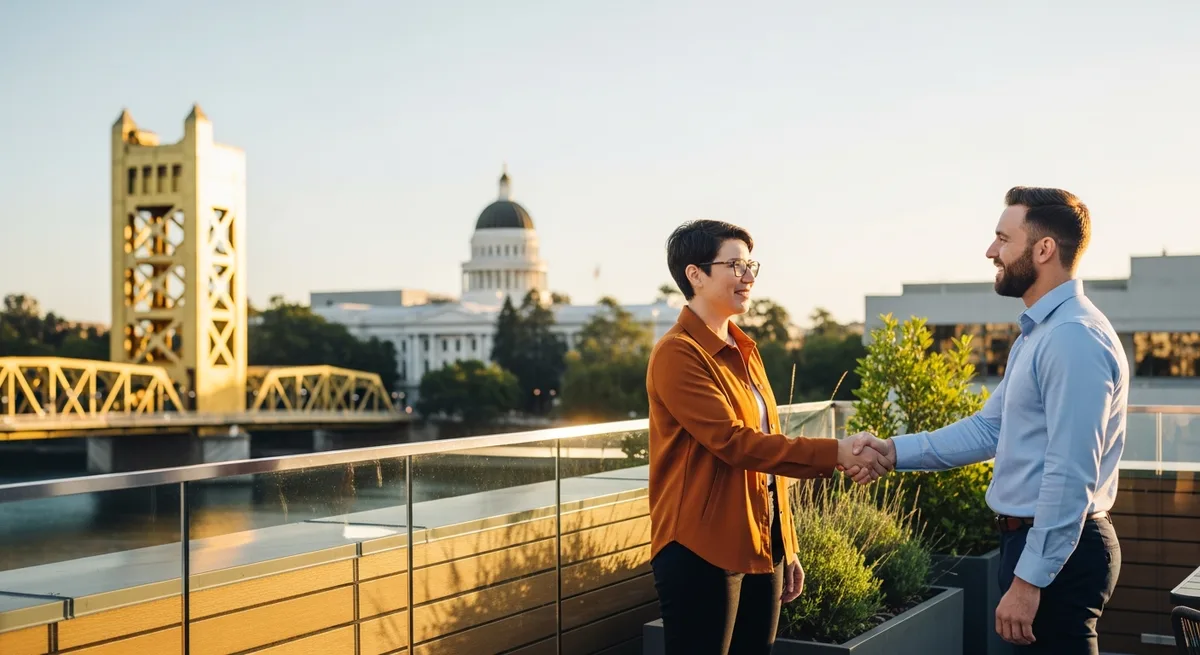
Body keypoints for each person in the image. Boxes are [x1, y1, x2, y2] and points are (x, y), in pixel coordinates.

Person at [849, 187, 1127, 654]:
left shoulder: (1072, 337)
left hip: (1059, 550)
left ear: (1043, 249)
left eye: (1003, 238)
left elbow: (1070, 473)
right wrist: (893, 451)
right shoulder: (1040, 334)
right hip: (1032, 544)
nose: (990, 251)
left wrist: (1029, 580)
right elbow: (989, 429)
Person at [647, 219, 890, 655]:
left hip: (763, 544)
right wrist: (836, 451)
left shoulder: (744, 350)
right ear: (695, 275)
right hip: (701, 548)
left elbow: (768, 443)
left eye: (751, 265)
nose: (749, 277)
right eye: (735, 266)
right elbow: (735, 443)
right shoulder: (677, 353)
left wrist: (787, 542)